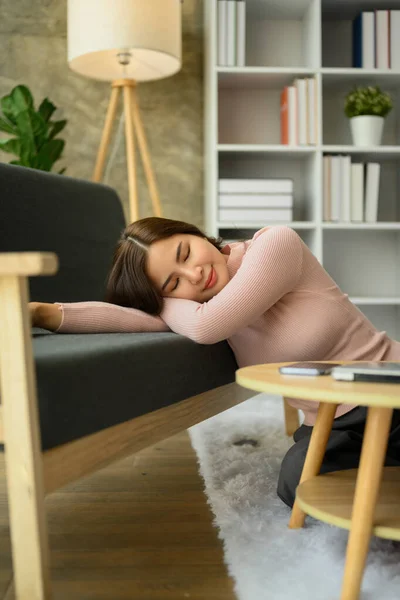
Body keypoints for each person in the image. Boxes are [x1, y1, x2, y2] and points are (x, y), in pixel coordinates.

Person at [29, 217, 400, 508]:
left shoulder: (275, 244)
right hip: (331, 424)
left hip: (389, 392)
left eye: (185, 253)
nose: (195, 274)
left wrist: (163, 299)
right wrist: (43, 313)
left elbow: (206, 326)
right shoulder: (200, 305)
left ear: (198, 234)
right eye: (173, 283)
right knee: (298, 484)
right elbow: (138, 321)